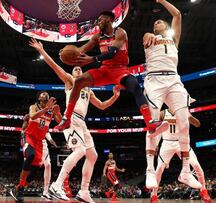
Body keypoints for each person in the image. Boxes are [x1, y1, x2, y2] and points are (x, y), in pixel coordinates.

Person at [29, 38, 120, 202]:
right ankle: (56, 186)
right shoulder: (70, 81)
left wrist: (114, 96)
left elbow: (101, 105)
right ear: (72, 73)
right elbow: (55, 67)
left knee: (92, 155)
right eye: (75, 68)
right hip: (70, 119)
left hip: (82, 123)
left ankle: (84, 192)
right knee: (80, 151)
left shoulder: (88, 89)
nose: (78, 70)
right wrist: (42, 51)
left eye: (80, 68)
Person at [55, 11, 168, 139]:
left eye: (100, 19)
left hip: (120, 69)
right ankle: (67, 118)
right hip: (104, 69)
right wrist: (68, 52)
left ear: (109, 19)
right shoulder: (97, 37)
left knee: (135, 87)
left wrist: (92, 59)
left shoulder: (120, 33)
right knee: (79, 81)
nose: (98, 22)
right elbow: (81, 50)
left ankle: (150, 123)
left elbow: (112, 53)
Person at [142, 0, 201, 189]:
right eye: (154, 23)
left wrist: (161, 1)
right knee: (152, 123)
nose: (157, 23)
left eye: (160, 22)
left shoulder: (174, 39)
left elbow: (177, 15)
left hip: (174, 79)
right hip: (154, 80)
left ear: (166, 26)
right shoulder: (149, 36)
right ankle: (150, 170)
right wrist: (148, 34)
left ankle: (185, 171)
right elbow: (145, 38)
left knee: (184, 122)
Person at [149, 109, 212, 203]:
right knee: (159, 169)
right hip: (167, 143)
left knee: (196, 165)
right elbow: (154, 128)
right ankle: (153, 196)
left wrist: (188, 115)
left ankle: (203, 191)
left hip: (182, 142)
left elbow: (197, 124)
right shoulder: (163, 113)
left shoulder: (183, 110)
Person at [10, 91, 62, 203]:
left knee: (34, 171)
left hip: (39, 141)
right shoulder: (33, 107)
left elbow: (61, 124)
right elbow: (33, 116)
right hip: (29, 136)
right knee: (30, 155)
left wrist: (58, 113)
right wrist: (46, 109)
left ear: (48, 100)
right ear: (39, 100)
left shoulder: (51, 110)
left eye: (46, 99)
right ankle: (20, 190)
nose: (44, 100)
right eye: (42, 98)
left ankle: (19, 188)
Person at [20, 114, 58, 201]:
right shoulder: (32, 115)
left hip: (42, 143)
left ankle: (45, 192)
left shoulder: (46, 118)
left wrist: (51, 141)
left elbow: (46, 131)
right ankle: (20, 187)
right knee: (32, 169)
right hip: (32, 142)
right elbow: (23, 130)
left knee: (47, 165)